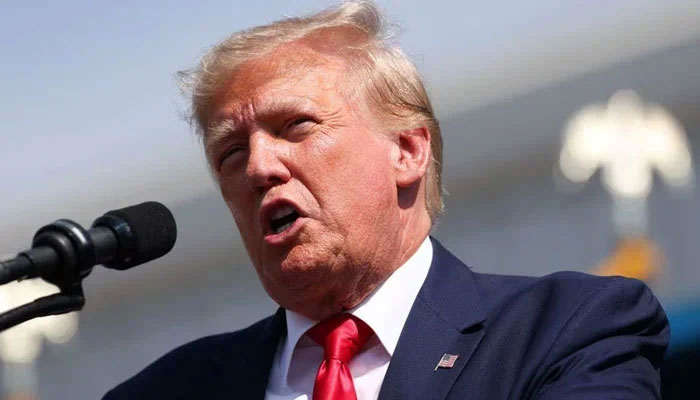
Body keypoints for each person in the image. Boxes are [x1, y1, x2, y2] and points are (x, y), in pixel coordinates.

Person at [104, 1, 669, 399]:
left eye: (296, 126)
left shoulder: (566, 329)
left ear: (406, 151)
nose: (258, 166)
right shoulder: (164, 390)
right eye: (230, 153)